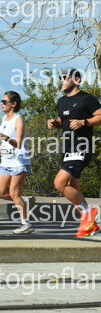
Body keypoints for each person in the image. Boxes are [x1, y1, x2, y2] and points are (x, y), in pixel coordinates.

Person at [47, 68, 101, 237]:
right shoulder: (61, 101)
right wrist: (55, 123)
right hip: (67, 149)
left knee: (59, 184)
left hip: (81, 148)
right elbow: (63, 120)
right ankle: (89, 225)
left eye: (65, 77)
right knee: (74, 189)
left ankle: (89, 213)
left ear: (77, 79)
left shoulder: (87, 99)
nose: (62, 80)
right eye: (60, 78)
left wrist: (84, 122)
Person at [0, 91, 34, 234]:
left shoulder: (19, 119)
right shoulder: (4, 118)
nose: (1, 104)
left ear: (13, 104)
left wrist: (5, 137)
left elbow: (19, 143)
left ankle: (25, 224)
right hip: (5, 161)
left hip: (19, 161)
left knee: (14, 193)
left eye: (4, 102)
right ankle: (24, 201)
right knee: (1, 192)